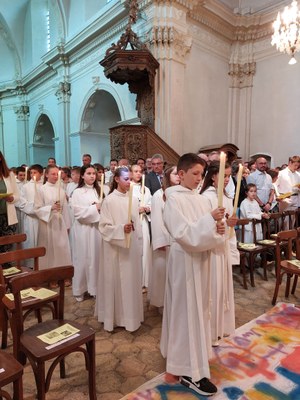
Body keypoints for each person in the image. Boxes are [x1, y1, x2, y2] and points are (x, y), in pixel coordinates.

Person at [160, 153, 225, 397]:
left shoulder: (201, 199)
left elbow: (213, 232)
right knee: (186, 312)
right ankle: (188, 371)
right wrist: (210, 221)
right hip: (185, 263)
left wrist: (219, 228)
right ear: (181, 173)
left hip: (201, 261)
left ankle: (190, 357)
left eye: (201, 174)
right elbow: (184, 233)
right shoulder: (173, 200)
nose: (199, 179)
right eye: (195, 174)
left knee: (198, 311)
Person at [96, 166, 143, 332]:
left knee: (130, 280)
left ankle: (131, 317)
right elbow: (103, 226)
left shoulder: (134, 199)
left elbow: (136, 223)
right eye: (126, 179)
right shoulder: (109, 200)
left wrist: (133, 228)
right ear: (116, 179)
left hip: (130, 249)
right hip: (115, 249)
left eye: (130, 178)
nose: (129, 182)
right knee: (116, 280)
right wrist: (121, 229)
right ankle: (115, 317)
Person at [200, 161, 239, 347]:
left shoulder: (225, 196)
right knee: (213, 287)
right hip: (211, 249)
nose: (227, 179)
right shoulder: (206, 197)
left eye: (229, 176)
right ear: (213, 176)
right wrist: (218, 224)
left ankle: (222, 326)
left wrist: (230, 223)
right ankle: (210, 330)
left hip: (222, 246)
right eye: (224, 175)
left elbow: (227, 223)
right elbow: (201, 223)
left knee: (222, 286)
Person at [149, 165, 180, 308]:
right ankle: (161, 303)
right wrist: (161, 241)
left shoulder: (181, 193)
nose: (178, 176)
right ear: (167, 176)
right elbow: (156, 219)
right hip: (164, 241)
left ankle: (174, 302)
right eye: (175, 174)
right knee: (162, 273)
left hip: (178, 240)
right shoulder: (158, 195)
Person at [70, 165, 102, 302]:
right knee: (82, 258)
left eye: (94, 173)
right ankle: (80, 289)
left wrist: (101, 207)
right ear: (82, 176)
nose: (92, 176)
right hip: (83, 230)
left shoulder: (100, 191)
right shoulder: (77, 192)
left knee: (96, 258)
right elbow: (78, 213)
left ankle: (95, 288)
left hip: (96, 229)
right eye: (88, 173)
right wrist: (95, 207)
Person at [34, 165, 72, 271]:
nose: (56, 176)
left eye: (57, 174)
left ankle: (62, 273)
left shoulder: (61, 190)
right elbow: (36, 209)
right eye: (53, 174)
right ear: (46, 175)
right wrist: (50, 208)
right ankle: (49, 275)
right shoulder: (41, 190)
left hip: (60, 223)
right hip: (47, 223)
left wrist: (67, 225)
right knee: (49, 249)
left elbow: (65, 209)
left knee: (61, 248)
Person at [131, 164, 152, 289]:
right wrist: (135, 209)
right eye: (135, 171)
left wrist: (147, 208)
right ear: (130, 173)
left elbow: (150, 202)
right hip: (133, 222)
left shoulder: (145, 189)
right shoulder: (127, 188)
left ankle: (145, 280)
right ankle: (135, 280)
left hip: (143, 221)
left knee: (145, 249)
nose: (138, 174)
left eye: (140, 171)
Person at [18, 164, 43, 261]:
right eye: (31, 172)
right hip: (30, 218)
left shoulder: (44, 186)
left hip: (42, 218)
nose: (33, 175)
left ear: (41, 173)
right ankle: (31, 264)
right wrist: (34, 208)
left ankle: (42, 263)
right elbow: (22, 204)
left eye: (35, 172)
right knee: (31, 241)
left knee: (41, 241)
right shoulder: (26, 187)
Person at [0, 151, 20, 253]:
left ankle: (7, 267)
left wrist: (11, 198)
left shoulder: (9, 174)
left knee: (7, 248)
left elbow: (17, 195)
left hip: (7, 217)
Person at [276, 155, 300, 228]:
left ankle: (289, 238)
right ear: (290, 163)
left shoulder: (298, 175)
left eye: (298, 166)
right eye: (295, 165)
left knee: (292, 221)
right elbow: (275, 186)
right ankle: (282, 237)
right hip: (285, 199)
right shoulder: (281, 173)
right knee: (283, 220)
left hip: (296, 198)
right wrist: (279, 197)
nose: (296, 167)